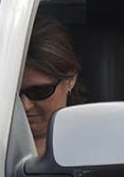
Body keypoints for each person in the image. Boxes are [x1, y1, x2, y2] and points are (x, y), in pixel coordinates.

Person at [21, 14, 83, 156]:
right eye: (14, 95)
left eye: (39, 92)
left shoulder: (93, 147)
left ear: (70, 80)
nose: (25, 105)